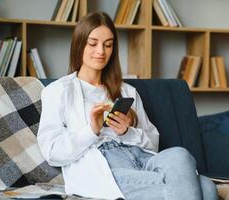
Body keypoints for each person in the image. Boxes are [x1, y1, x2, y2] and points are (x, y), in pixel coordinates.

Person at [37, 12, 218, 200]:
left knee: (180, 154)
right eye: (93, 43)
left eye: (108, 45)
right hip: (105, 166)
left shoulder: (127, 91)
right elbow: (52, 152)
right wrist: (92, 129)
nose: (101, 51)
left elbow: (153, 142)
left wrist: (127, 132)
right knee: (207, 189)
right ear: (79, 44)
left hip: (141, 158)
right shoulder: (58, 91)